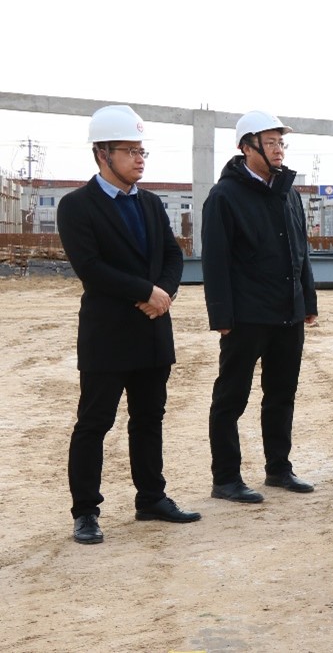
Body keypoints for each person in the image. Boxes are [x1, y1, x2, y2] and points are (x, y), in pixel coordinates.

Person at [57, 105, 201, 543]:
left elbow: (172, 255)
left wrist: (164, 294)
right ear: (102, 154)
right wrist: (145, 291)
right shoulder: (77, 206)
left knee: (149, 419)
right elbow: (90, 267)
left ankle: (151, 498)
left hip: (153, 329)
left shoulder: (151, 203)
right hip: (107, 334)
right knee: (94, 423)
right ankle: (85, 512)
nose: (139, 159)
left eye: (142, 151)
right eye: (129, 151)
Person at [202, 110, 319, 504]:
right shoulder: (224, 196)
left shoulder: (289, 194)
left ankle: (278, 468)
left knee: (282, 393)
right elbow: (215, 261)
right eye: (270, 143)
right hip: (246, 316)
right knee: (231, 398)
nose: (279, 150)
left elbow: (300, 251)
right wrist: (221, 316)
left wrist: (307, 300)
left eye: (281, 142)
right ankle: (226, 478)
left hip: (288, 312)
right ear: (246, 147)